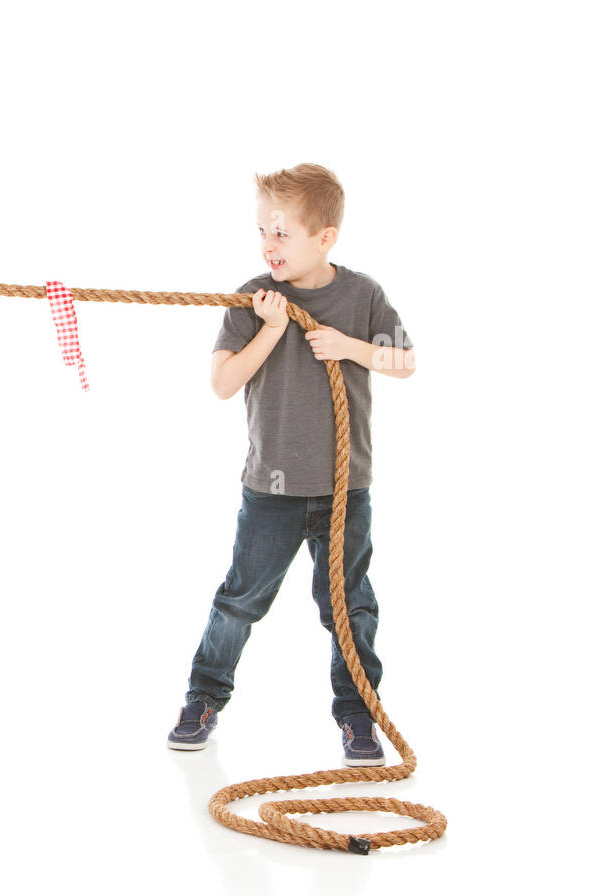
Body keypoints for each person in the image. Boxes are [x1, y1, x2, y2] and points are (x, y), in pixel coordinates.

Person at [168, 163, 415, 766]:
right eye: (261, 231)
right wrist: (272, 330)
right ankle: (203, 698)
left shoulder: (362, 295)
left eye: (281, 232)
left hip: (343, 488)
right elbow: (223, 383)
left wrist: (347, 346)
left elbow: (404, 361)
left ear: (324, 238)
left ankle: (358, 716)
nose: (267, 245)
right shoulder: (252, 297)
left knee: (349, 605)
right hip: (271, 490)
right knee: (239, 599)